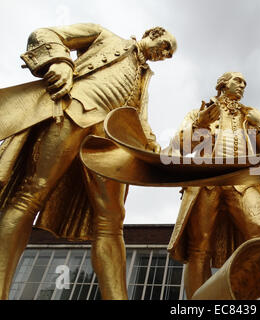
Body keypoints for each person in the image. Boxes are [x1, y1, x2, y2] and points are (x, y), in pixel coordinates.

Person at [0, 23, 177, 299]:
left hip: (109, 142)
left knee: (112, 219)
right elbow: (45, 34)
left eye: (168, 55)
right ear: (153, 33)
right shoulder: (105, 35)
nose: (164, 56)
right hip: (73, 112)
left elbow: (140, 123)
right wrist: (59, 62)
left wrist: (156, 153)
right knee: (30, 194)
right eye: (165, 47)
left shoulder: (144, 79)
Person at [167, 71, 260, 299]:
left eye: (245, 82)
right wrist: (199, 124)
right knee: (199, 248)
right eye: (238, 80)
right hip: (207, 182)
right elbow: (178, 148)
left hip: (242, 181)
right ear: (223, 84)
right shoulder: (201, 112)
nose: (243, 85)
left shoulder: (250, 117)